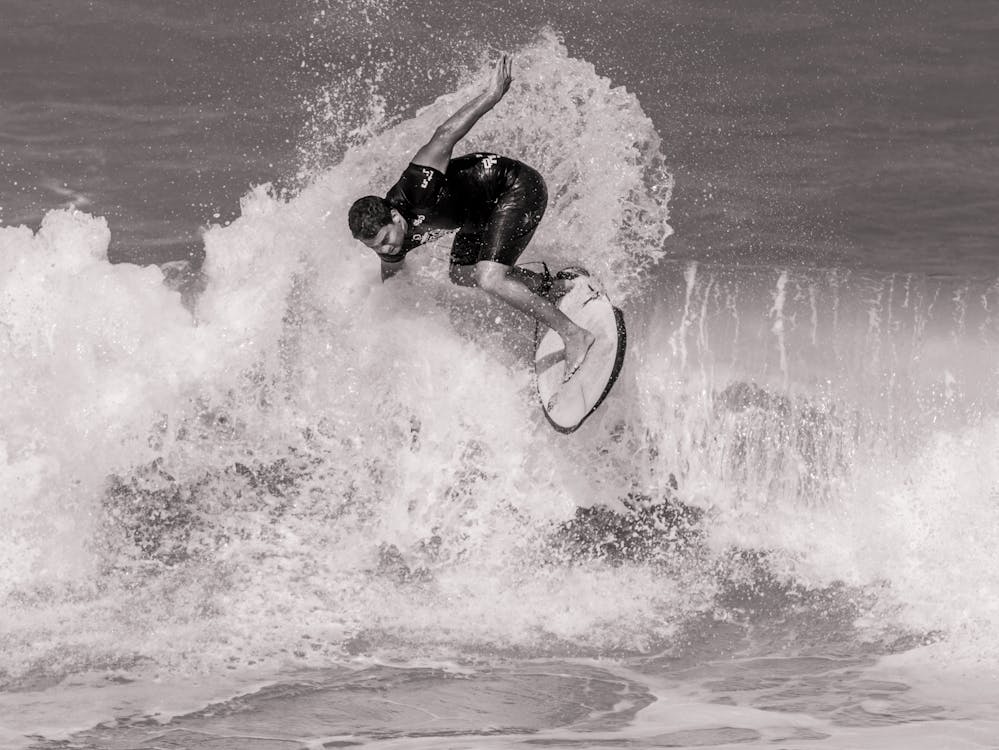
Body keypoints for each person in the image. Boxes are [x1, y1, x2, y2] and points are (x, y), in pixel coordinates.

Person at [348, 55, 595, 381]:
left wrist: (492, 95)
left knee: (489, 277)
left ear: (394, 216)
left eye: (385, 239)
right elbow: (394, 286)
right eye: (375, 247)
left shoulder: (417, 186)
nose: (387, 249)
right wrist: (392, 328)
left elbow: (444, 134)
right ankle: (556, 286)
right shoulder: (390, 247)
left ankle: (574, 334)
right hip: (478, 216)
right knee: (461, 274)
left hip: (515, 187)